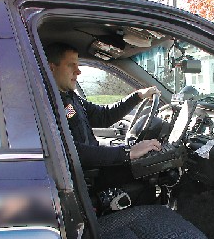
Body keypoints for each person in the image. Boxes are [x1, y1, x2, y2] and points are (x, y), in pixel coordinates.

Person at [45, 42, 162, 195]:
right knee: (148, 177)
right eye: (71, 65)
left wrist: (138, 96)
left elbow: (103, 117)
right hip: (85, 178)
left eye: (78, 65)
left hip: (91, 169)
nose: (78, 71)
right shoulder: (47, 104)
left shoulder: (70, 97)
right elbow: (71, 150)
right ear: (51, 68)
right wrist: (127, 152)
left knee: (145, 168)